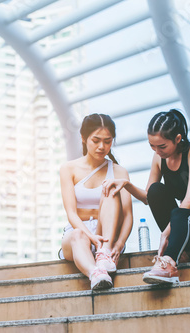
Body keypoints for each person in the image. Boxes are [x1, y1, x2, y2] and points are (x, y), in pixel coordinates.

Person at [102, 109, 190, 284]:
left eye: (162, 146)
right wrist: (126, 184)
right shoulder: (158, 158)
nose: (157, 151)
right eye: (152, 146)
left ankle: (169, 263)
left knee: (180, 213)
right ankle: (179, 251)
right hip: (185, 226)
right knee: (156, 190)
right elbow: (149, 198)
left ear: (178, 139)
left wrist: (166, 232)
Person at [59, 113, 133, 290]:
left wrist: (120, 243)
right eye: (96, 140)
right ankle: (96, 274)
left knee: (110, 189)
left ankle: (104, 256)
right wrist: (90, 236)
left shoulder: (118, 171)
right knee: (78, 235)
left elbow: (128, 215)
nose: (102, 146)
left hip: (108, 238)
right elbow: (71, 213)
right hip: (79, 234)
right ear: (84, 138)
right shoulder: (69, 169)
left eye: (107, 141)